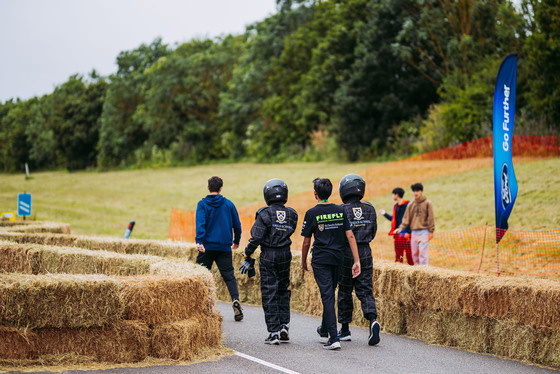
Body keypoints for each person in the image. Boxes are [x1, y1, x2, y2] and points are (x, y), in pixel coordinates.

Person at [301, 178, 361, 350]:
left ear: (315, 194)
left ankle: (333, 338)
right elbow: (350, 236)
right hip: (338, 259)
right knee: (330, 293)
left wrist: (303, 260)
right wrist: (357, 260)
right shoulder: (340, 210)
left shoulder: (312, 213)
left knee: (327, 295)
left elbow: (306, 242)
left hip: (321, 260)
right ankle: (325, 330)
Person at [242, 179, 298, 345]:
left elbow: (257, 237)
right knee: (283, 289)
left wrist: (247, 252)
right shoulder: (292, 214)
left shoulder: (264, 213)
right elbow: (291, 229)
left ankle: (273, 332)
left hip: (268, 254)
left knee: (269, 291)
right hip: (285, 254)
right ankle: (284, 325)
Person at [337, 174, 381, 346]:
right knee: (365, 289)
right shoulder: (370, 209)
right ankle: (372, 320)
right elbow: (374, 231)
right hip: (365, 251)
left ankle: (345, 328)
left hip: (347, 252)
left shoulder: (341, 209)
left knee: (345, 290)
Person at [195, 176, 244, 321]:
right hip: (224, 247)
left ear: (208, 187)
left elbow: (200, 223)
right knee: (229, 276)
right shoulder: (228, 204)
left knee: (200, 276)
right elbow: (237, 225)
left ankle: (202, 306)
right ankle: (235, 299)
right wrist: (236, 241)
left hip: (207, 247)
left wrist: (199, 241)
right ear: (221, 188)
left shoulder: (202, 204)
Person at [394, 183, 435, 266]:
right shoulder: (411, 204)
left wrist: (431, 231)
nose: (416, 193)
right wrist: (401, 228)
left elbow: (431, 217)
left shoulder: (427, 203)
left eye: (418, 191)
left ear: (422, 191)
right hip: (414, 232)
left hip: (424, 231)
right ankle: (417, 273)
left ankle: (424, 272)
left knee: (423, 253)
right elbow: (406, 218)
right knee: (414, 254)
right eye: (414, 191)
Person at [379, 187, 413, 265]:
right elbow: (394, 219)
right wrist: (385, 214)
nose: (392, 196)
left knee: (409, 255)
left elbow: (410, 220)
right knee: (398, 256)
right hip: (398, 234)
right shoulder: (396, 206)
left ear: (396, 195)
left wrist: (408, 232)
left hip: (406, 234)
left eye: (393, 195)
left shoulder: (407, 205)